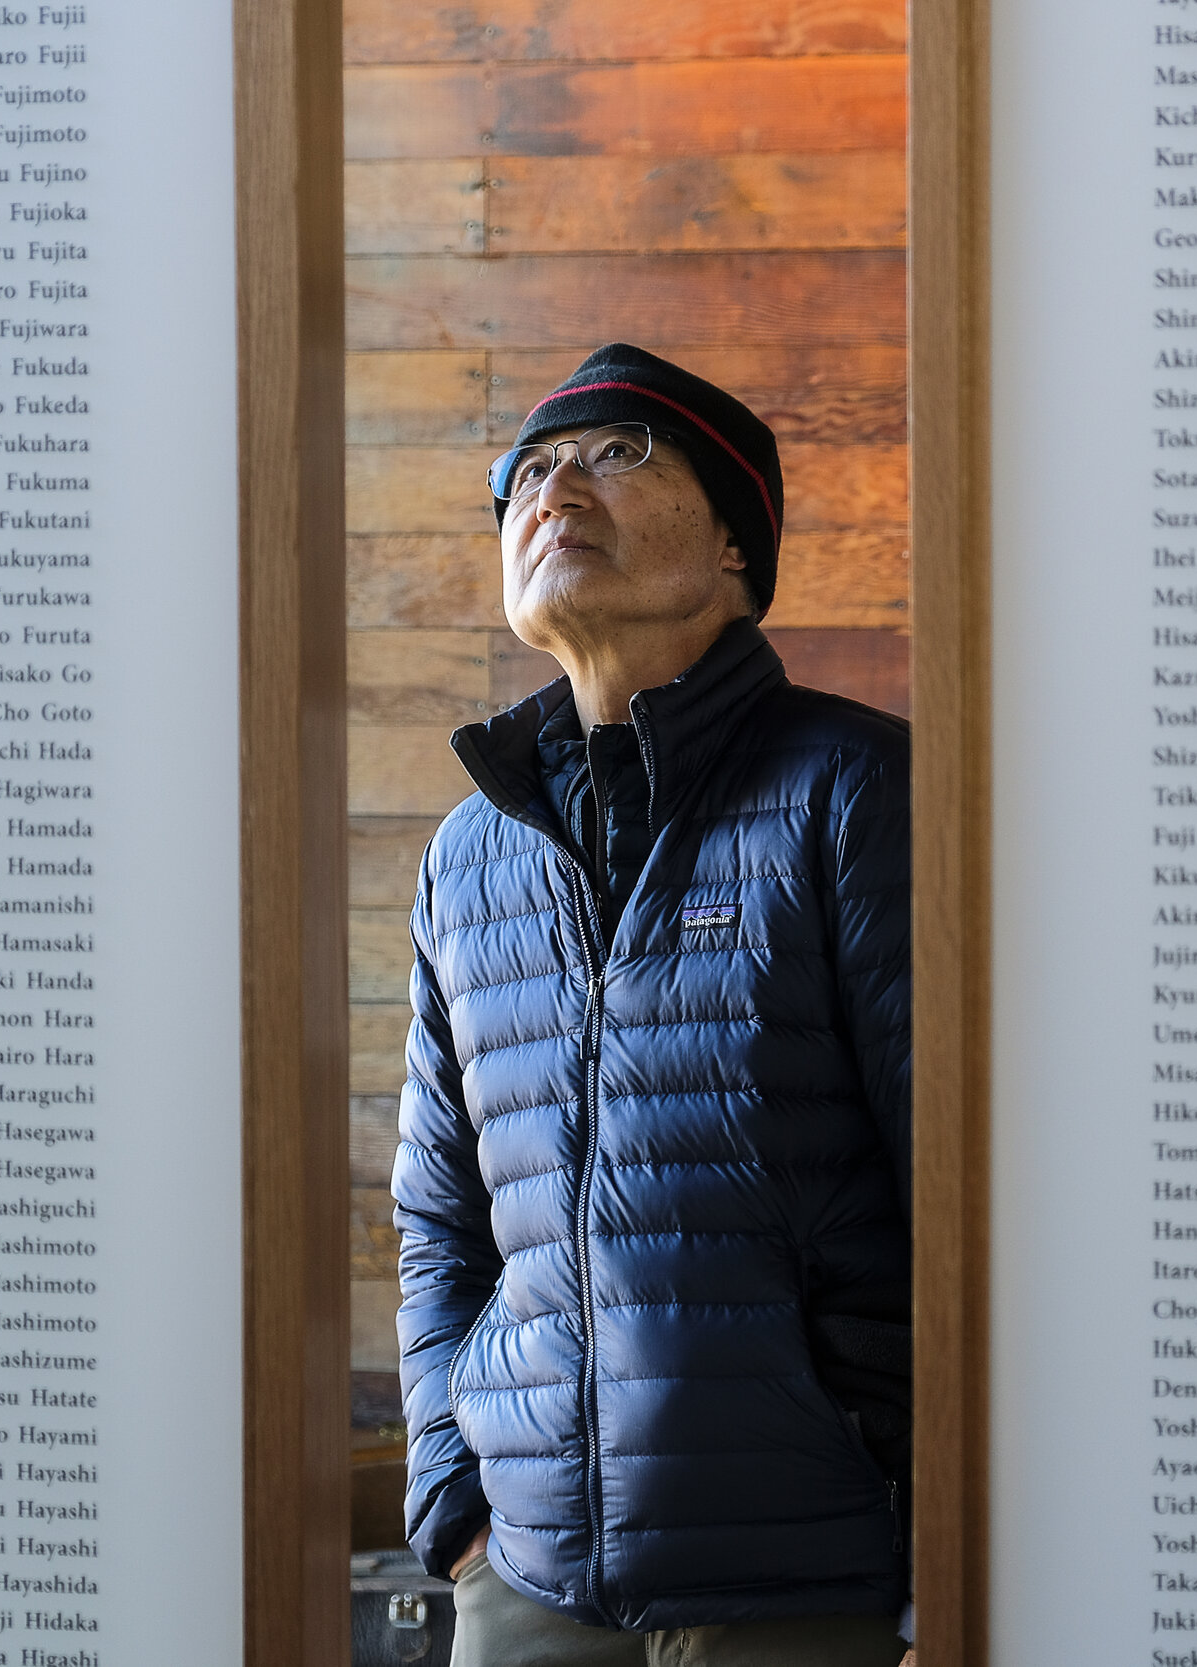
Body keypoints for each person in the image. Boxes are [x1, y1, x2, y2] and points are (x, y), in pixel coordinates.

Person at [392, 344, 915, 1666]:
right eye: (528, 472)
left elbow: (969, 1202)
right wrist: (455, 1496)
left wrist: (944, 1565)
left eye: (618, 453)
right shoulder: (471, 854)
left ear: (736, 545)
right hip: (527, 1581)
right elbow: (440, 1220)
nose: (557, 487)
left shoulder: (856, 791)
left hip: (813, 1576)